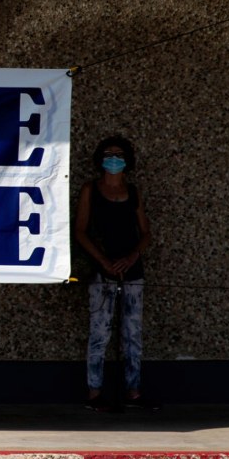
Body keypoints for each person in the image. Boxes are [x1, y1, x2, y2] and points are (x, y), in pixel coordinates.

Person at [73, 135, 152, 410]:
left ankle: (134, 392)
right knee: (99, 332)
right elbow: (80, 231)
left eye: (119, 154)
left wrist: (132, 257)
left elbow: (145, 233)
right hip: (101, 272)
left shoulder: (133, 192)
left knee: (133, 332)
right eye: (109, 153)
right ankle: (94, 393)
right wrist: (103, 262)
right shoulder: (90, 190)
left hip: (132, 270)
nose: (114, 158)